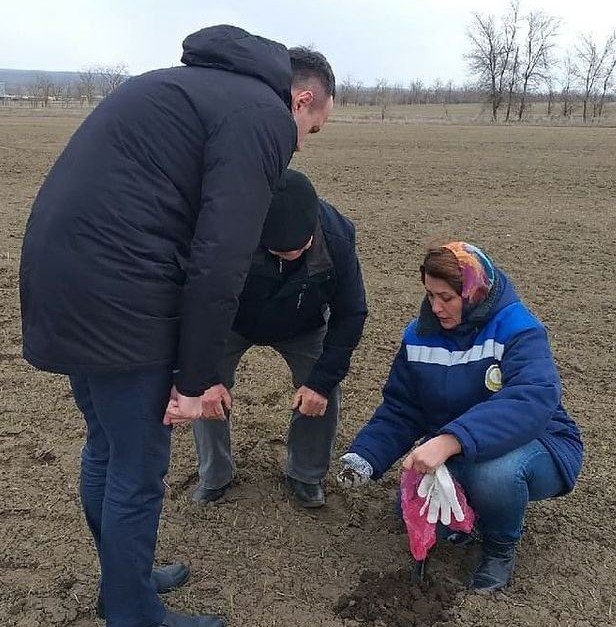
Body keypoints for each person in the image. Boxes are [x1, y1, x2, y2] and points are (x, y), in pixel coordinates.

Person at [19, 25, 335, 627]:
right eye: (311, 129)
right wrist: (195, 381)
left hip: (62, 274)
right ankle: (134, 613)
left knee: (108, 447)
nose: (301, 145)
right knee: (137, 470)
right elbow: (221, 258)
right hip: (119, 289)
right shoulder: (260, 116)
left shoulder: (187, 87)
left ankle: (125, 580)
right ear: (300, 100)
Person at [338, 241, 583, 592]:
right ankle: (472, 516)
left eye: (447, 297)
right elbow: (403, 407)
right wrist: (366, 454)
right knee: (411, 513)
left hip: (541, 445)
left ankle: (500, 548)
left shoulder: (518, 328)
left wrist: (450, 440)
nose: (435, 307)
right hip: (459, 447)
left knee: (495, 475)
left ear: (473, 292)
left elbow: (532, 397)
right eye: (429, 295)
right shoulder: (418, 337)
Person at [192, 169, 367, 508]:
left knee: (323, 387)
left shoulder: (337, 238)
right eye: (277, 251)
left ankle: (306, 473)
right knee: (203, 391)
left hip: (303, 322)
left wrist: (318, 383)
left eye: (298, 249)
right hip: (231, 320)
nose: (289, 256)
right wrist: (207, 378)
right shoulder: (226, 232)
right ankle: (214, 474)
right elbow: (198, 303)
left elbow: (351, 313)